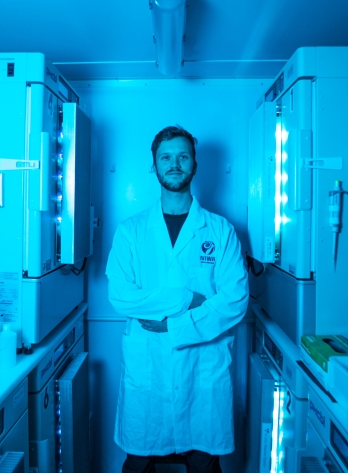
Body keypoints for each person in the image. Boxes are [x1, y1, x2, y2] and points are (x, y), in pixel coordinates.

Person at [106, 125, 249, 473]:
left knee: (203, 460)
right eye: (166, 157)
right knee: (138, 459)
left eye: (183, 156)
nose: (174, 164)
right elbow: (121, 296)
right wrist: (186, 298)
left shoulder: (220, 230)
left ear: (194, 165)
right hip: (148, 365)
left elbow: (235, 300)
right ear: (154, 165)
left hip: (204, 365)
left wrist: (173, 326)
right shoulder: (131, 230)